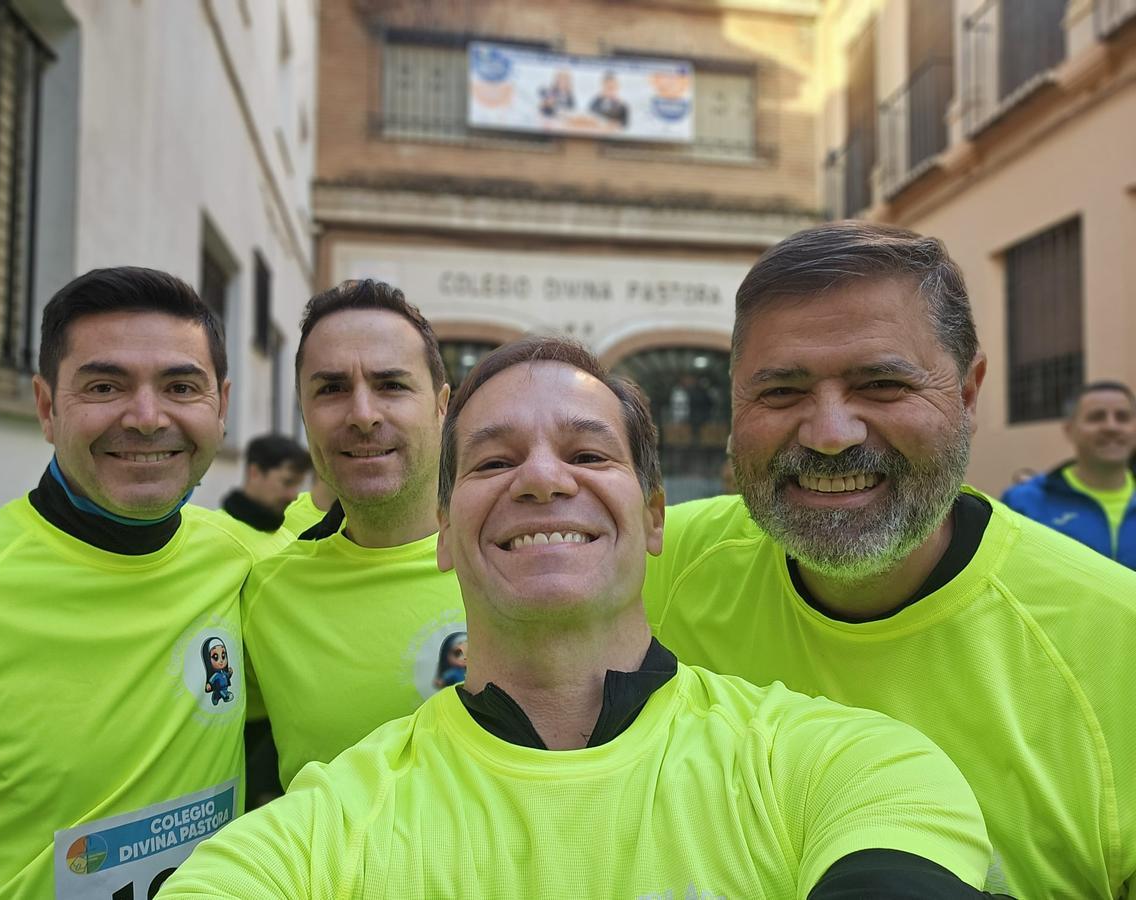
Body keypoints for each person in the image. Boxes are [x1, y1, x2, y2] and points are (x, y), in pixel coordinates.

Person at [161, 337, 1007, 898]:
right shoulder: (320, 831)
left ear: (655, 517)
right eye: (492, 459)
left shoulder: (844, 765)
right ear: (446, 534)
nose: (541, 479)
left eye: (589, 454)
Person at [643, 221, 1136, 899]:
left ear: (968, 393)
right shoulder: (645, 572)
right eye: (781, 392)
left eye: (881, 384)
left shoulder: (1118, 644)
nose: (829, 435)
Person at [0, 267, 265, 900]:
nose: (145, 418)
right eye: (105, 385)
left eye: (180, 386)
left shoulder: (243, 559)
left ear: (220, 407)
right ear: (46, 407)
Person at [240, 279, 465, 790]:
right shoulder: (265, 593)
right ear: (303, 412)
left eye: (392, 384)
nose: (363, 415)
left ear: (442, 405)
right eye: (332, 389)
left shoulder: (520, 566)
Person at [1001, 380, 1136, 568]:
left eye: (1122, 417)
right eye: (1096, 417)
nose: (1111, 427)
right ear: (1069, 430)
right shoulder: (1025, 503)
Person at [217, 433, 311, 542]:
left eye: (298, 485)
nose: (293, 496)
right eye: (287, 482)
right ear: (255, 472)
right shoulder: (214, 533)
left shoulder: (291, 541)